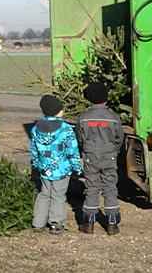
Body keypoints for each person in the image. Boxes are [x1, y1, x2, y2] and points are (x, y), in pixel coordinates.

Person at [30, 94, 82, 235]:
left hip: (44, 168)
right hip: (61, 168)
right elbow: (72, 150)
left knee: (44, 193)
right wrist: (77, 167)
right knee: (58, 195)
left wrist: (36, 164)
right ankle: (56, 223)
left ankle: (38, 222)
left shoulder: (36, 128)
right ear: (58, 111)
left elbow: (34, 150)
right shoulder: (65, 129)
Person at [77, 82, 124, 235]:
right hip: (109, 155)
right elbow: (119, 139)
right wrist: (113, 151)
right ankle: (112, 223)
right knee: (110, 187)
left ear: (89, 98)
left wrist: (84, 152)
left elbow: (80, 139)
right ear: (106, 98)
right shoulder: (113, 117)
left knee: (91, 187)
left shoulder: (83, 118)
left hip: (90, 156)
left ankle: (88, 223)